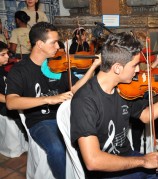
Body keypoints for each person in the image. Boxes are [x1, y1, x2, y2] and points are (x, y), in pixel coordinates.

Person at [70, 32, 158, 178]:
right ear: (117, 68)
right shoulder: (85, 100)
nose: (138, 70)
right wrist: (142, 161)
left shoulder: (125, 89)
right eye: (135, 65)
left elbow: (146, 116)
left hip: (128, 158)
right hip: (105, 171)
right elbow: (93, 161)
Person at [6, 22, 101, 179]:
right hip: (41, 121)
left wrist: (93, 68)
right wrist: (48, 99)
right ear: (40, 44)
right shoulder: (20, 70)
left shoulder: (57, 65)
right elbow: (11, 102)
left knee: (93, 137)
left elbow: (74, 89)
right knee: (56, 148)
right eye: (54, 42)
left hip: (66, 116)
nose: (58, 46)